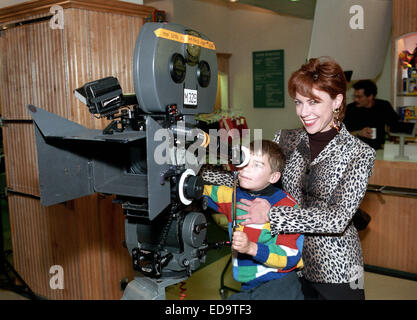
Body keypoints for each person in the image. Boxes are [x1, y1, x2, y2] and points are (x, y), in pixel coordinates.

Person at [203, 57, 375, 300]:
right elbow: (253, 176)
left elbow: (336, 218)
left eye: (313, 102)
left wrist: (271, 215)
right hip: (286, 263)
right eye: (299, 102)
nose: (304, 112)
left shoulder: (359, 153)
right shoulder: (286, 139)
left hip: (336, 265)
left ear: (337, 101)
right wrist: (197, 174)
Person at [202, 140, 304, 300]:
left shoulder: (286, 206)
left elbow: (291, 255)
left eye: (257, 165)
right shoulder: (232, 195)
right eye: (244, 161)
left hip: (279, 284)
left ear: (274, 176)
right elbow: (197, 189)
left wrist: (251, 248)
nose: (246, 168)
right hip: (248, 284)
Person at [343, 79, 399, 150]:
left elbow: (394, 126)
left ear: (370, 96)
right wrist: (359, 133)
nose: (355, 100)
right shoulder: (350, 109)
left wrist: (393, 136)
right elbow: (340, 135)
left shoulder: (383, 106)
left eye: (359, 97)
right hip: (355, 150)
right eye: (355, 96)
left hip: (378, 150)